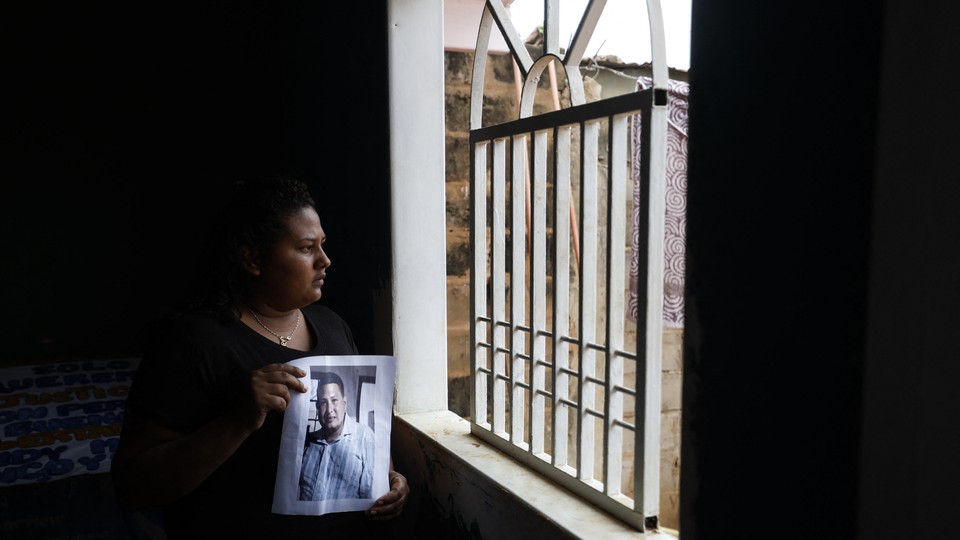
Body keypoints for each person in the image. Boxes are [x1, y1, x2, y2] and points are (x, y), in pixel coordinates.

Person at [111, 175, 408, 538]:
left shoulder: (331, 325)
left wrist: (388, 477)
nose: (325, 261)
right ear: (252, 259)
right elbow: (132, 486)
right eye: (305, 248)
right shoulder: (193, 342)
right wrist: (236, 420)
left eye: (323, 246)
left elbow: (364, 433)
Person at [299, 371, 375, 501]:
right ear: (317, 407)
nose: (329, 410)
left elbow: (369, 497)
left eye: (334, 400)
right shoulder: (307, 441)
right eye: (323, 402)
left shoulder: (365, 437)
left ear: (344, 403)